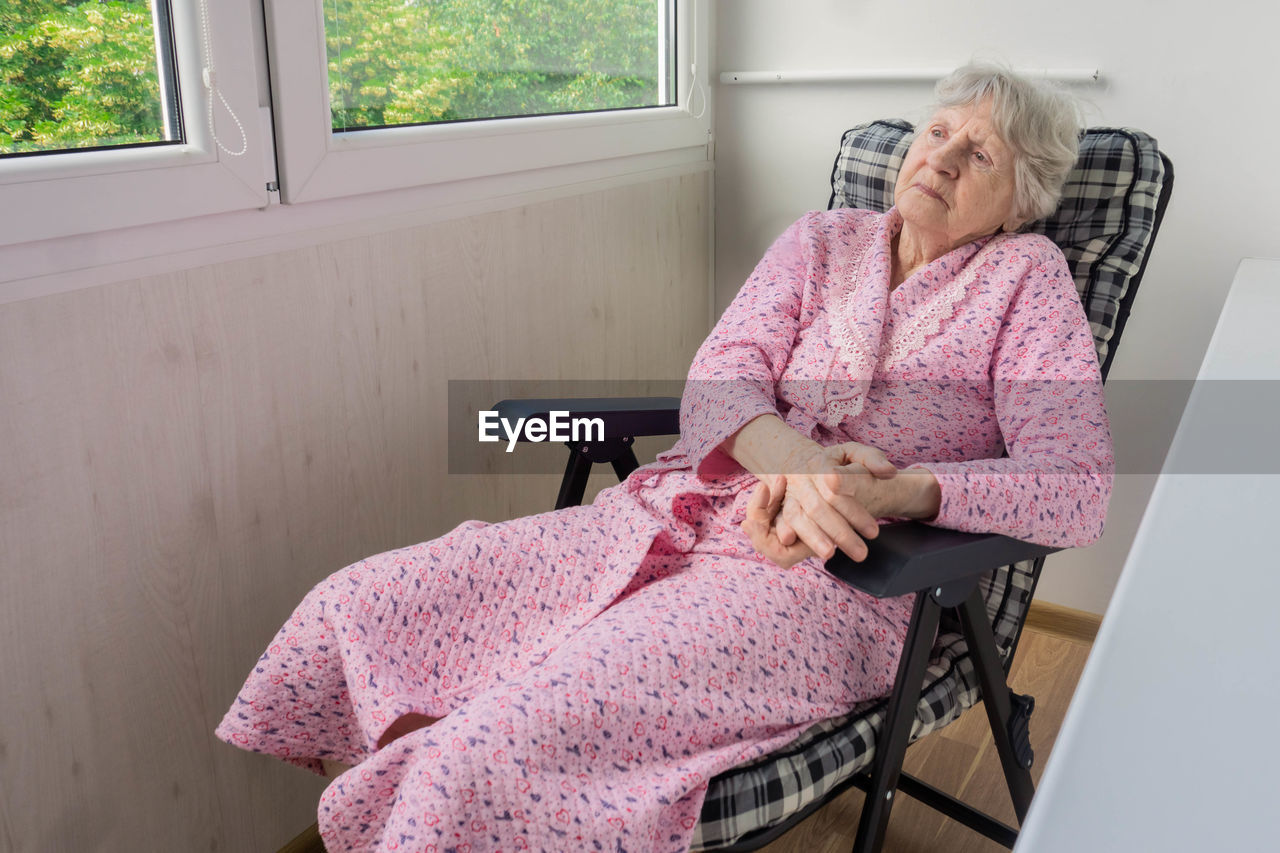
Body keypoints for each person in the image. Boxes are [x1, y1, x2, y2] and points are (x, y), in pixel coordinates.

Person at [217, 63, 1113, 853]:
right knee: (362, 605)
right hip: (670, 515)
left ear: (1022, 198)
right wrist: (797, 465)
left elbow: (1074, 486)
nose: (942, 160)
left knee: (486, 753)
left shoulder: (1026, 281)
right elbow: (721, 382)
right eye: (938, 132)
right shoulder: (820, 240)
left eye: (981, 155)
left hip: (838, 582)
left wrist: (895, 490)